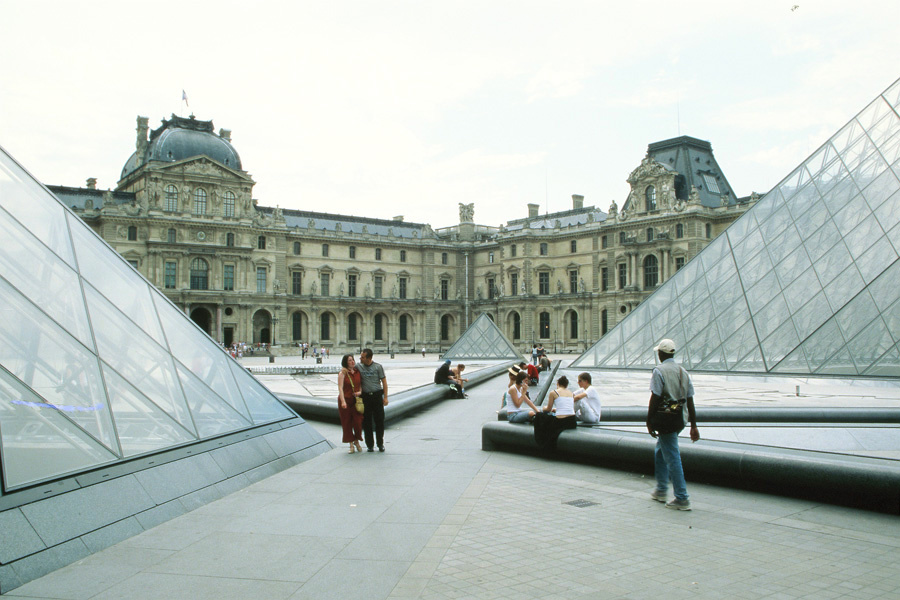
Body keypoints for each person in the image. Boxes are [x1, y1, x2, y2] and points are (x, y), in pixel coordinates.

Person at [647, 339, 699, 511]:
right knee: (660, 451)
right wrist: (693, 425)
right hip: (679, 418)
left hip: (665, 419)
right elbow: (690, 400)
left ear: (661, 354)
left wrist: (649, 420)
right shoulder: (683, 372)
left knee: (672, 456)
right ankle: (661, 489)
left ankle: (682, 498)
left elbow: (655, 397)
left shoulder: (659, 371)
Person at [534, 375, 577, 449]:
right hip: (572, 421)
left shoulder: (554, 392)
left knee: (539, 415)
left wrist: (543, 408)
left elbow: (548, 409)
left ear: (558, 384)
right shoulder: (571, 393)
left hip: (561, 421)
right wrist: (556, 409)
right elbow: (567, 407)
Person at [358, 348, 388, 452]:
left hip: (377, 396)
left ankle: (380, 444)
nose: (360, 358)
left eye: (362, 357)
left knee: (379, 421)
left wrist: (386, 397)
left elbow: (384, 382)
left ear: (369, 358)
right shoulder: (359, 366)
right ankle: (370, 445)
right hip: (365, 397)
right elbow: (349, 366)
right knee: (367, 422)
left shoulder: (378, 367)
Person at [337, 354, 363, 454]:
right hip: (346, 400)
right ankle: (351, 445)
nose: (352, 362)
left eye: (353, 360)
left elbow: (361, 384)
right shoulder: (342, 373)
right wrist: (343, 401)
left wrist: (360, 392)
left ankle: (356, 440)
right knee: (347, 423)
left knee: (358, 422)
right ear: (345, 362)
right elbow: (340, 388)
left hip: (356, 400)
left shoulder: (357, 372)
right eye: (350, 360)